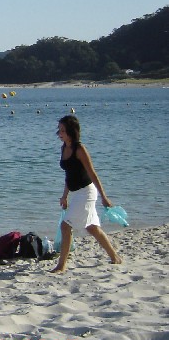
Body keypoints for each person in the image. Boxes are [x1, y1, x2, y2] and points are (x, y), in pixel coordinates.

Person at [51, 115, 122, 273]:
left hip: (87, 193)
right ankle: (115, 257)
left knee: (65, 226)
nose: (60, 133)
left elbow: (92, 173)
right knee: (92, 228)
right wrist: (65, 196)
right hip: (76, 193)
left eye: (63, 130)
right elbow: (69, 175)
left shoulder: (79, 149)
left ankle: (61, 265)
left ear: (71, 131)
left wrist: (104, 196)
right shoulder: (64, 148)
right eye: (59, 130)